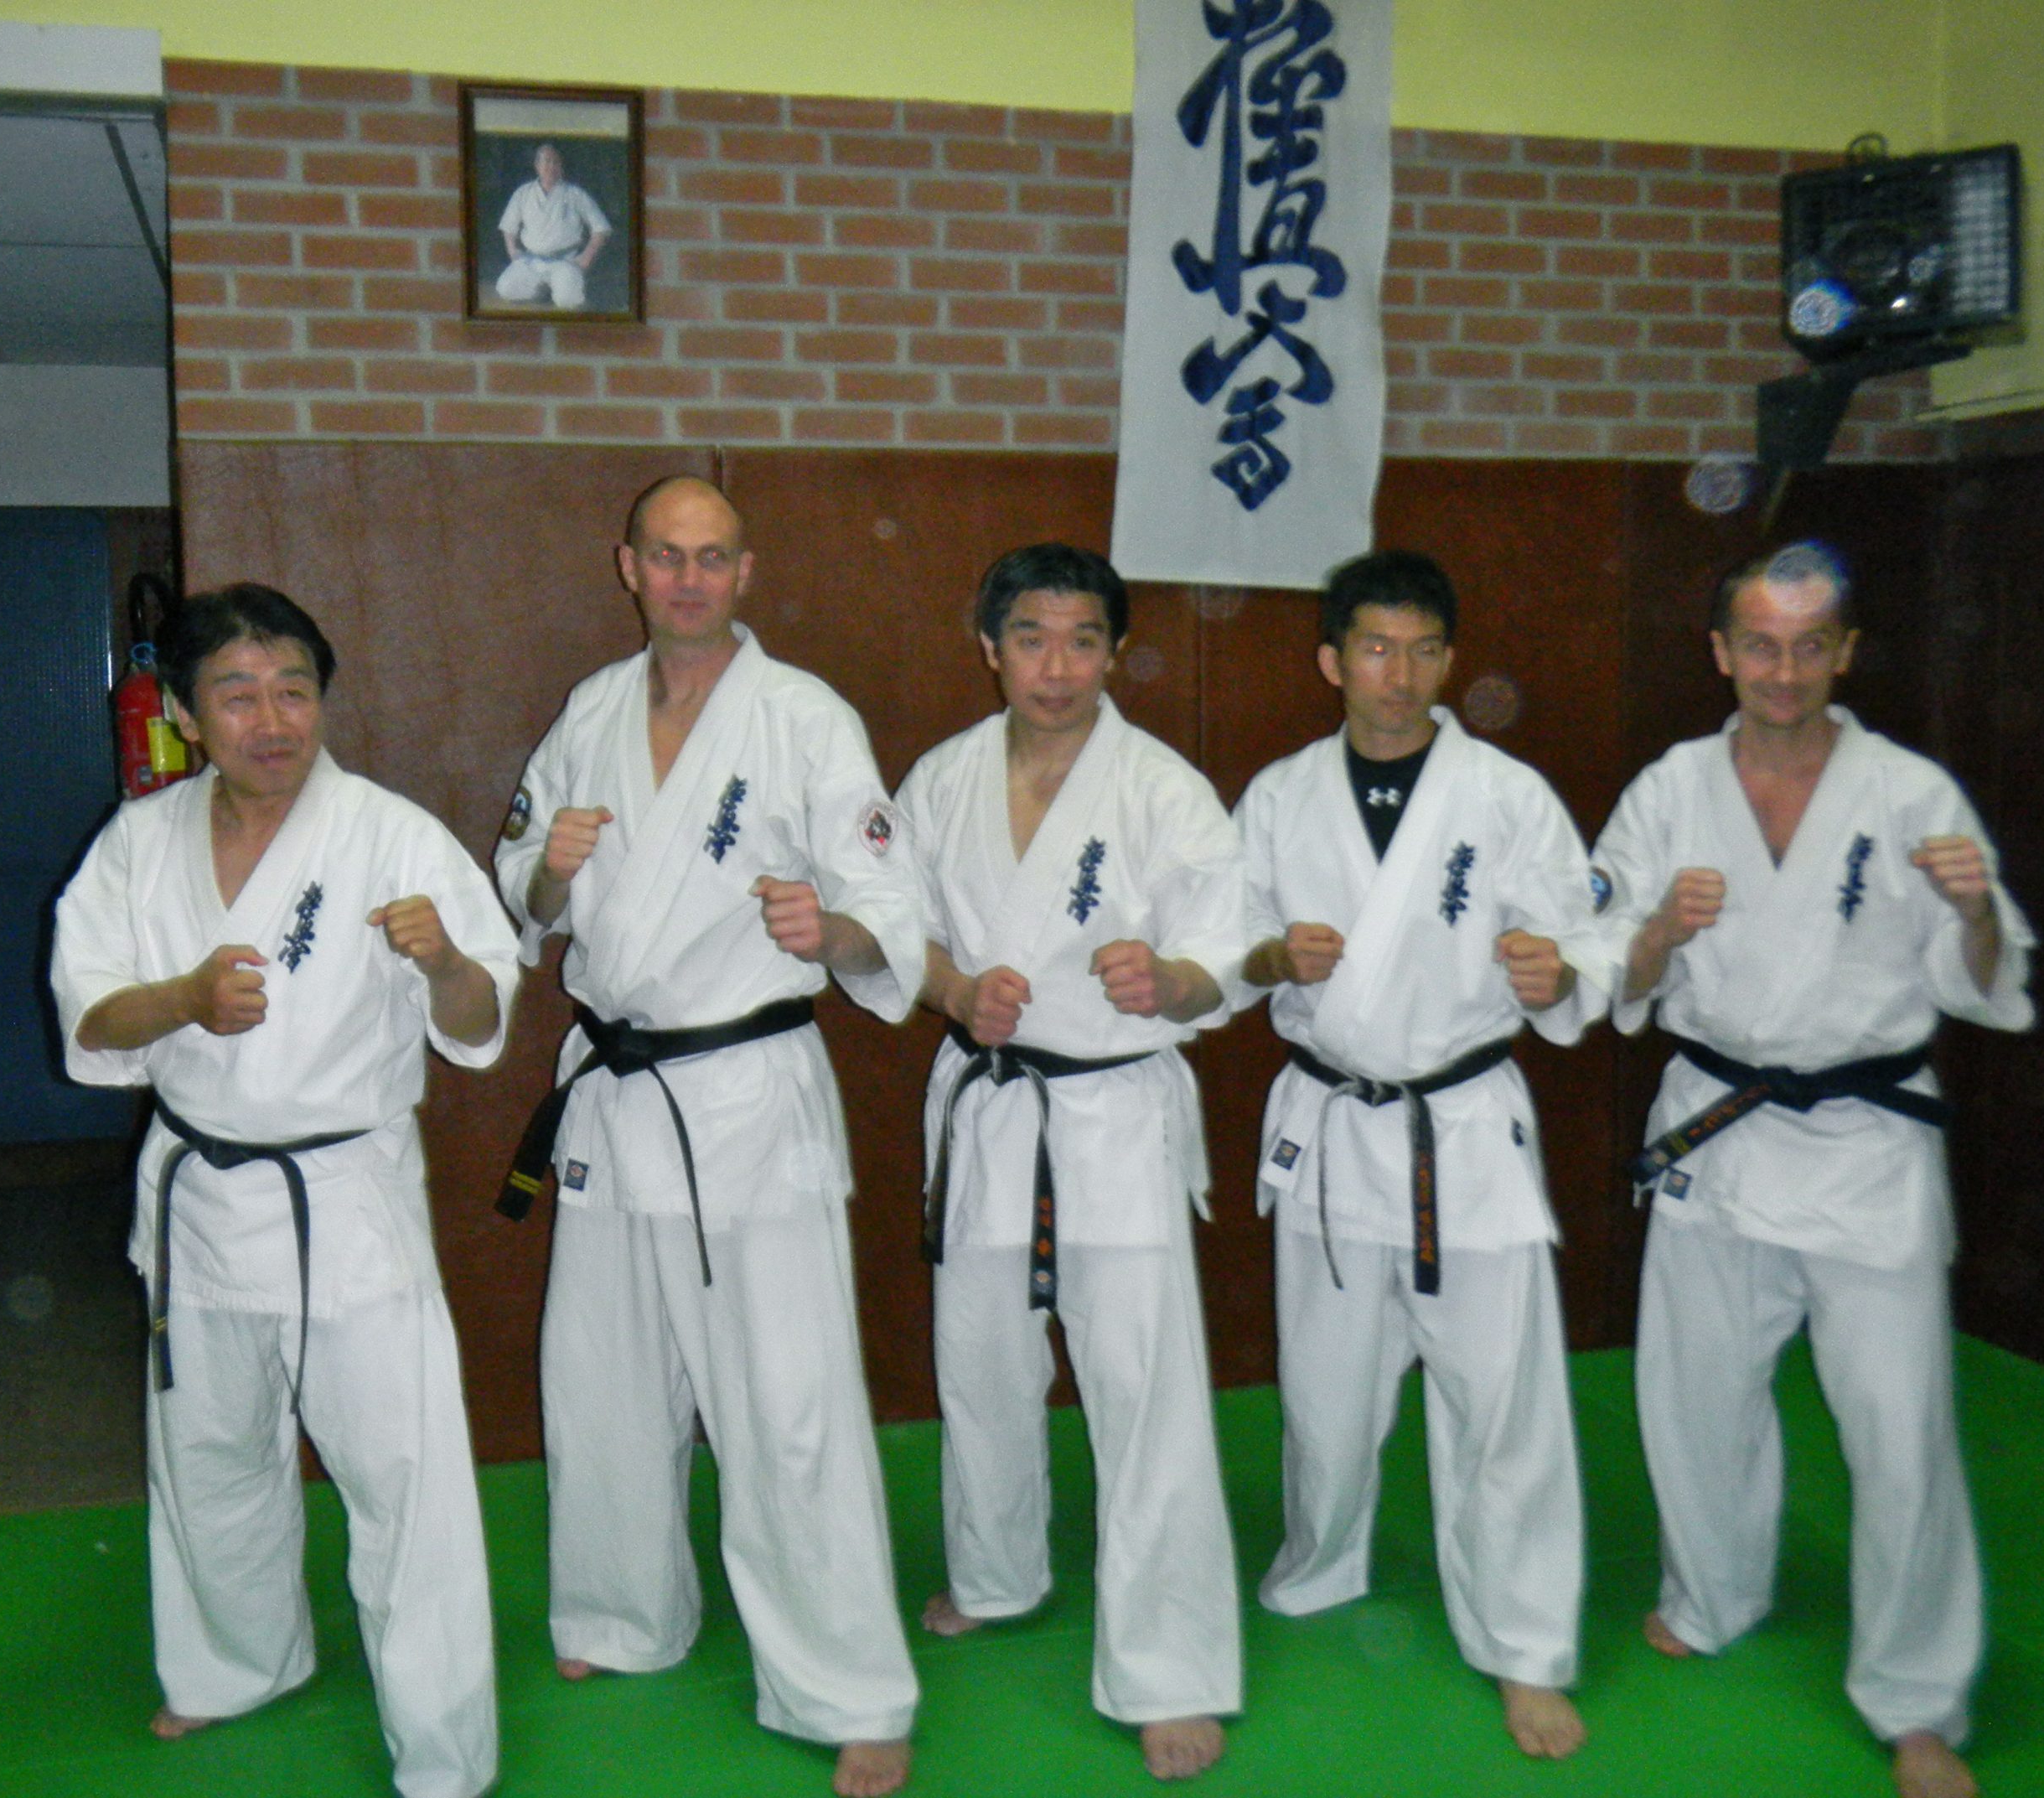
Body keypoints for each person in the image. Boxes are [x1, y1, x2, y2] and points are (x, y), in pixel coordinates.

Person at [50, 583, 518, 1798]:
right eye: (239, 694)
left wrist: (445, 961)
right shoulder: (138, 843)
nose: (272, 719)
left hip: (344, 1195)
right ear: (186, 715)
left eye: (295, 690)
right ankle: (235, 1665)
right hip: (201, 1196)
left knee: (403, 1476)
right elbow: (91, 1020)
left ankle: (444, 1749)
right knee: (209, 1452)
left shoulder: (392, 836)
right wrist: (186, 999)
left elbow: (481, 1024)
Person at [494, 475, 922, 1798]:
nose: (689, 578)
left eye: (713, 557)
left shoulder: (805, 717)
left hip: (744, 1098)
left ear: (746, 571)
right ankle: (623, 1611)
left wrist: (830, 931)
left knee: (788, 1402)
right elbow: (522, 891)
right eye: (667, 556)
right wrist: (551, 871)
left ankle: (848, 1684)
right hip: (616, 1094)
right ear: (628, 566)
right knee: (602, 1376)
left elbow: (889, 910)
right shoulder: (590, 712)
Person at [1591, 541, 2035, 1798]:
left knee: (1899, 1428)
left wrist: (1977, 912)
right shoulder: (1669, 790)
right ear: (1721, 652)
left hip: (1865, 1144)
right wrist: (1659, 931)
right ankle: (1713, 1592)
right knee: (1696, 1393)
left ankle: (1917, 1697)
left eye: (1808, 646)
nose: (1782, 671)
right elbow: (1610, 969)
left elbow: (1985, 982)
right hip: (1718, 1126)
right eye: (1759, 645)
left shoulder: (1912, 792)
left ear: (1844, 653)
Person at [1232, 550, 1604, 1761]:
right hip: (1336, 1131)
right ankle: (1321, 1558)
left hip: (1465, 1131)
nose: (1399, 675)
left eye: (1423, 650)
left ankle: (1525, 1642)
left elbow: (1581, 939)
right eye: (1375, 649)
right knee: (1325, 1392)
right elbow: (1225, 941)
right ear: (1332, 661)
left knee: (1505, 1401)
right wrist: (1270, 959)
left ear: (1449, 661)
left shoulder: (1505, 795)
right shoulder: (1280, 796)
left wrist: (1559, 974)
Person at [893, 544, 1245, 1781]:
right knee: (981, 1361)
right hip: (991, 1112)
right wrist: (954, 991)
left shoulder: (1163, 789)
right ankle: (996, 1572)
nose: (1057, 665)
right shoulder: (941, 779)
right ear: (989, 648)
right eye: (1032, 638)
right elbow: (893, 930)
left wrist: (1171, 981)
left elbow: (1224, 953)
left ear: (1114, 652)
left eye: (1083, 639)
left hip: (1111, 1116)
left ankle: (1172, 1666)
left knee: (1145, 1391)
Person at [494, 141, 611, 309]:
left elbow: (601, 229)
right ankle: (542, 290)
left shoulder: (575, 194)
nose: (551, 166)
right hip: (531, 261)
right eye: (547, 161)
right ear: (537, 166)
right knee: (506, 289)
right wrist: (513, 251)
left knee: (568, 301)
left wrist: (586, 257)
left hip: (565, 261)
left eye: (556, 162)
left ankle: (559, 287)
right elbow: (508, 227)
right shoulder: (523, 193)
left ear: (561, 166)